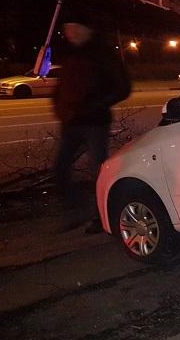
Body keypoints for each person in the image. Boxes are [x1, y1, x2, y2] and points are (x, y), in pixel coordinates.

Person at [53, 17, 131, 233]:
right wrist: (60, 108)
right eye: (67, 28)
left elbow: (123, 87)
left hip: (95, 123)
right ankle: (75, 211)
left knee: (98, 171)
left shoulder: (102, 53)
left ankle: (102, 216)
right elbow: (60, 87)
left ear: (87, 29)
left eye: (75, 27)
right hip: (71, 122)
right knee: (60, 168)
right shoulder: (70, 54)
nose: (70, 32)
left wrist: (97, 105)